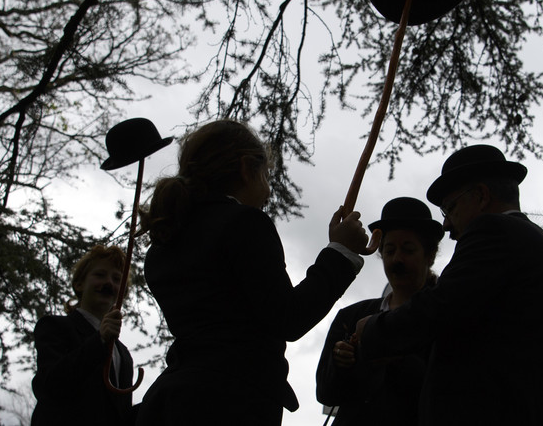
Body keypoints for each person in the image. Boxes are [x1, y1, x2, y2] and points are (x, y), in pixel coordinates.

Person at [135, 119, 373, 426]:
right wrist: (341, 253)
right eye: (266, 176)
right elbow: (287, 317)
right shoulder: (244, 223)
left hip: (172, 401)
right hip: (230, 405)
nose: (269, 191)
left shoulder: (164, 244)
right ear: (247, 168)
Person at [354, 145, 543, 426]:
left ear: (480, 196)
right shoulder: (530, 240)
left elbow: (441, 307)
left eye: (450, 208)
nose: (446, 225)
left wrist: (372, 330)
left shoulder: (495, 232)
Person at [316, 197, 442, 426]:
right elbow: (325, 394)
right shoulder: (350, 317)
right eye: (390, 250)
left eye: (408, 250)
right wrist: (340, 362)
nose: (397, 259)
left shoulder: (444, 317)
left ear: (430, 255)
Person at [31, 244, 136, 426]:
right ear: (79, 284)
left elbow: (120, 414)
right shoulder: (55, 327)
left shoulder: (123, 354)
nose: (109, 283)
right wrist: (100, 341)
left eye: (117, 279)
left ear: (122, 293)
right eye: (100, 275)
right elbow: (50, 387)